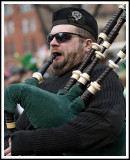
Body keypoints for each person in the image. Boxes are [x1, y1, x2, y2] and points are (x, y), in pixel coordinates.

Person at [4, 7, 126, 156]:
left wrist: (32, 142)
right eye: (51, 37)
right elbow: (16, 136)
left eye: (62, 37)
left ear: (88, 45)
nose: (53, 43)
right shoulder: (45, 86)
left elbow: (105, 125)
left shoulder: (102, 76)